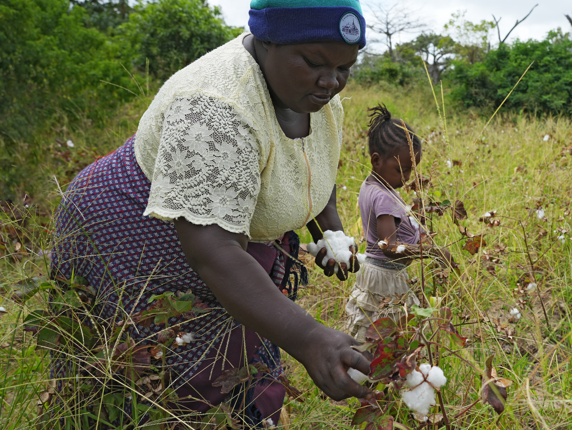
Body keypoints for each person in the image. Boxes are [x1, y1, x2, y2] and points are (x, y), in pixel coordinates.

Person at [49, 0, 372, 426]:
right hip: (135, 227)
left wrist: (334, 236)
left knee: (236, 362)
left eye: (346, 68)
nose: (331, 81)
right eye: (314, 62)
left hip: (226, 238)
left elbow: (315, 168)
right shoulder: (216, 106)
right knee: (159, 373)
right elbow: (214, 248)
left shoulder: (318, 99)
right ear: (267, 40)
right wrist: (311, 339)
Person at [345, 105, 453, 342]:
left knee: (372, 336)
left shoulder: (372, 185)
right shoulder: (384, 197)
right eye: (400, 170)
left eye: (410, 170)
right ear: (376, 160)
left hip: (377, 273)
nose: (406, 178)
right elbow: (388, 246)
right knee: (388, 339)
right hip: (385, 278)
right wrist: (431, 253)